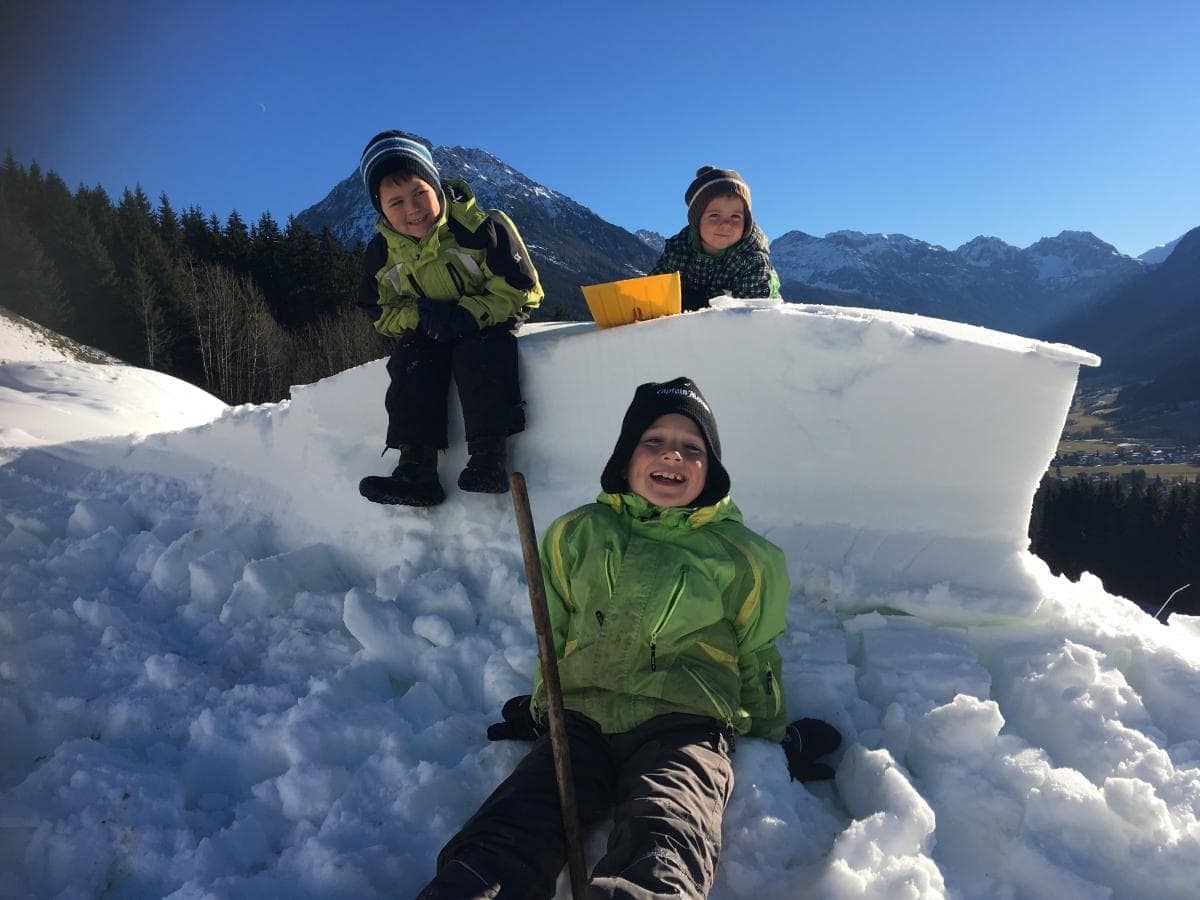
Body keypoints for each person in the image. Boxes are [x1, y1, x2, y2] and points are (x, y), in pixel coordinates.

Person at [417, 377, 841, 898]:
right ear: (624, 459)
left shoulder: (745, 557)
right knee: (510, 825)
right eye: (653, 441)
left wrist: (773, 735)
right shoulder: (577, 534)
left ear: (712, 470)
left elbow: (756, 652)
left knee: (666, 833)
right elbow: (557, 633)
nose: (673, 455)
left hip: (685, 725)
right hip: (580, 720)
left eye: (692, 448)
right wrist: (544, 706)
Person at [356, 131, 543, 506]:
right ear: (381, 209)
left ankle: (489, 457)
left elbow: (523, 288)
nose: (412, 209)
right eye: (396, 202)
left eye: (419, 193)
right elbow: (379, 310)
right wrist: (420, 317)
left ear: (437, 187)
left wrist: (467, 314)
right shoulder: (381, 254)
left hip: (489, 319)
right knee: (412, 359)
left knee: (482, 351)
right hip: (432, 329)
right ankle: (416, 469)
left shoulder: (483, 227)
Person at [650, 166, 781, 312]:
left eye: (735, 216)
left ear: (746, 222)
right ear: (696, 221)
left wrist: (700, 302)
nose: (725, 224)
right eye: (714, 215)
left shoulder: (752, 259)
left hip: (745, 321)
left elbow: (752, 310)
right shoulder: (679, 249)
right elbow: (654, 287)